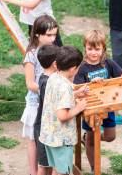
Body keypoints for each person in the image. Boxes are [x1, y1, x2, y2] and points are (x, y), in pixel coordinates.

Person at [73, 30, 122, 172]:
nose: (93, 53)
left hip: (108, 106)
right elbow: (77, 89)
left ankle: (87, 139)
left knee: (110, 137)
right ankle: (94, 168)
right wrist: (91, 84)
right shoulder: (82, 68)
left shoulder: (108, 63)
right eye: (90, 49)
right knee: (91, 140)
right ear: (85, 48)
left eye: (97, 49)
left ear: (103, 49)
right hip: (90, 108)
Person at [39, 46, 89, 175]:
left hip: (49, 135)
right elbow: (62, 115)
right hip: (61, 139)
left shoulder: (53, 77)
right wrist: (79, 107)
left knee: (57, 169)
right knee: (62, 172)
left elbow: (58, 99)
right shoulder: (65, 87)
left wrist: (76, 93)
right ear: (73, 69)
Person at [21, 15, 59, 175]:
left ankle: (45, 169)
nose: (53, 38)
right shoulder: (31, 55)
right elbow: (30, 84)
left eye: (55, 34)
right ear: (37, 34)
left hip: (51, 104)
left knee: (47, 140)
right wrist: (48, 89)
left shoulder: (55, 52)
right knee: (32, 140)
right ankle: (33, 171)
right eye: (49, 35)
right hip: (35, 104)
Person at [34, 44, 59, 175]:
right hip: (44, 129)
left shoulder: (46, 78)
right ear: (55, 64)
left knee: (48, 163)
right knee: (43, 165)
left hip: (46, 127)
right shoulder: (47, 83)